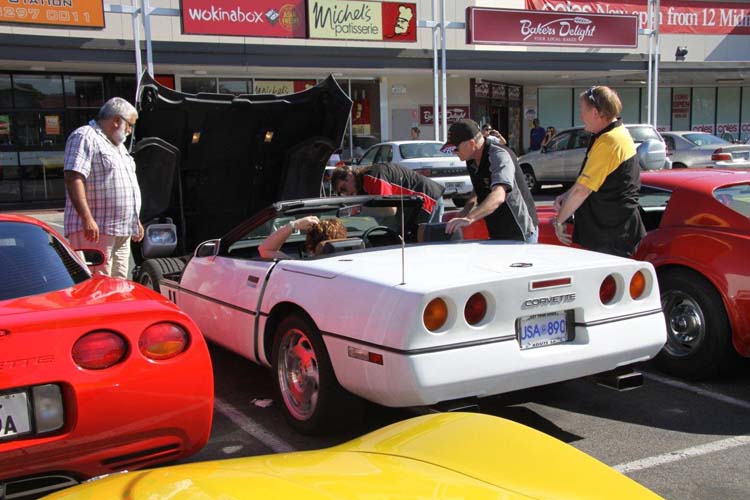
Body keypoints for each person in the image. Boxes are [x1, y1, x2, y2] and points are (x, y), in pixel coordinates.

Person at [552, 86, 645, 257]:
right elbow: (590, 179)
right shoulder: (617, 132)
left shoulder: (609, 141)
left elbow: (582, 191)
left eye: (583, 111)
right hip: (616, 232)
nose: (581, 116)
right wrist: (566, 195)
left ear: (595, 113)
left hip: (612, 236)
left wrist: (559, 221)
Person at [63, 97, 143, 279]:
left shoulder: (118, 146)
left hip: (121, 230)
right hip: (96, 230)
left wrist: (134, 219)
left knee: (119, 282)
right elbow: (73, 177)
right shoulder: (85, 136)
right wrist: (87, 218)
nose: (130, 130)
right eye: (129, 125)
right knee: (97, 282)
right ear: (116, 120)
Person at [442, 119, 538, 242]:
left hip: (521, 230)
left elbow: (499, 195)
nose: (454, 153)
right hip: (496, 230)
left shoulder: (499, 155)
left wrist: (470, 218)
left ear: (471, 143)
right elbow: (479, 187)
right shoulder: (471, 158)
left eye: (456, 149)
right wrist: (465, 211)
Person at [331, 162, 445, 224]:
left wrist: (360, 209)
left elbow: (389, 209)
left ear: (349, 175)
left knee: (427, 245)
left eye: (344, 188)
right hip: (415, 207)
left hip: (428, 201)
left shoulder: (372, 177)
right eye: (342, 193)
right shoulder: (363, 187)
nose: (346, 193)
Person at [259, 216, 346, 259]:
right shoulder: (353, 264)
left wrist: (294, 224)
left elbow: (265, 249)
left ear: (310, 246)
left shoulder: (301, 270)